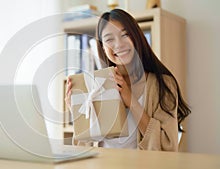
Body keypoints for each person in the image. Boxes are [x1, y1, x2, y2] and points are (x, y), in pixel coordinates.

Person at [65, 9, 191, 151]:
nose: (118, 44)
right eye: (109, 39)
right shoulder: (96, 85)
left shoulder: (162, 85)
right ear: (102, 47)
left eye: (125, 35)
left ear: (136, 37)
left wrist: (129, 99)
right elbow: (84, 148)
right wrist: (77, 112)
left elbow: (167, 147)